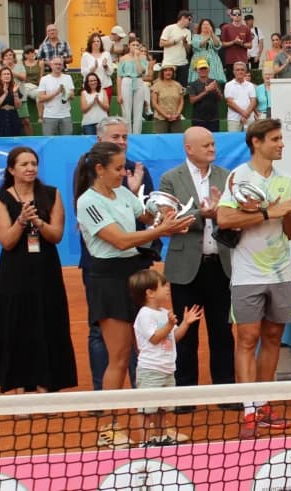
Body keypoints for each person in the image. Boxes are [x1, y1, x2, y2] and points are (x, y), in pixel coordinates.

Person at [73, 141, 194, 448]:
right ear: (99, 169)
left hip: (134, 278)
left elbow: (146, 217)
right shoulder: (88, 201)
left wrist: (168, 219)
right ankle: (109, 427)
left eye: (124, 167)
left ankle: (157, 429)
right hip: (108, 280)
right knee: (120, 356)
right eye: (117, 168)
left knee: (151, 357)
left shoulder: (124, 193)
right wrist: (160, 231)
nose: (122, 173)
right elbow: (121, 240)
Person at [215, 119, 291, 439]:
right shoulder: (238, 176)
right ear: (256, 142)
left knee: (272, 339)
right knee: (247, 339)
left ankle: (264, 406)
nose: (282, 144)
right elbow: (224, 218)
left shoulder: (287, 182)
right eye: (275, 139)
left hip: (281, 271)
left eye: (281, 139)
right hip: (247, 273)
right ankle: (249, 412)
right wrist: (271, 212)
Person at [0, 146, 76, 394]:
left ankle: (45, 385)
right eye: (24, 164)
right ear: (11, 169)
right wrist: (22, 220)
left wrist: (38, 221)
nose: (30, 168)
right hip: (14, 273)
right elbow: (7, 241)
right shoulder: (0, 199)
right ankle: (16, 387)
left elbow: (56, 235)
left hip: (46, 270)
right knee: (16, 325)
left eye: (33, 163)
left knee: (47, 322)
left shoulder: (51, 194)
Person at [159, 126, 236, 413]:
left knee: (222, 331)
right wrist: (200, 214)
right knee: (185, 332)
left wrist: (222, 213)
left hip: (220, 265)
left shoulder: (227, 177)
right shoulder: (170, 179)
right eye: (205, 145)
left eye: (213, 144)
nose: (212, 149)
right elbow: (168, 219)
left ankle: (227, 391)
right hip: (185, 268)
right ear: (188, 148)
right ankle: (185, 394)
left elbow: (234, 214)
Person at [128, 269, 199, 445]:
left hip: (167, 369)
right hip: (150, 370)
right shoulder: (144, 314)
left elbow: (173, 337)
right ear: (150, 293)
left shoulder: (163, 312)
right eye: (163, 285)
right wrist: (169, 324)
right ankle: (145, 442)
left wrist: (185, 323)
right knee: (146, 409)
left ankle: (160, 438)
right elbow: (154, 338)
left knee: (161, 409)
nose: (168, 288)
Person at [36, 56, 73, 136]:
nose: (58, 66)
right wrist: (56, 93)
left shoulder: (68, 78)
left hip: (65, 115)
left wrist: (66, 93)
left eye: (60, 64)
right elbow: (40, 98)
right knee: (48, 142)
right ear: (51, 65)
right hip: (49, 116)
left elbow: (72, 96)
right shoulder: (44, 79)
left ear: (63, 66)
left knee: (66, 142)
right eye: (56, 64)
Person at [188, 59, 222, 132]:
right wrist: (205, 92)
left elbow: (220, 99)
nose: (203, 70)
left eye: (205, 68)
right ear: (197, 70)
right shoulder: (193, 84)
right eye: (201, 69)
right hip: (198, 119)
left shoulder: (214, 82)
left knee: (213, 140)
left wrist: (216, 90)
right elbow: (192, 101)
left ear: (208, 70)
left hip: (214, 119)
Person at [160, 11, 193, 85]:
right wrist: (175, 41)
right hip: (169, 63)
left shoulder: (188, 32)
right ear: (183, 18)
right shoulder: (169, 28)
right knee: (168, 86)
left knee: (182, 88)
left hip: (183, 63)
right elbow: (161, 43)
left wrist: (185, 42)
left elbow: (188, 51)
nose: (190, 22)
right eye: (189, 19)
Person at [0, 67, 23, 137]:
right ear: (0, 77)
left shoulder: (14, 87)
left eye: (8, 74)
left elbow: (18, 106)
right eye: (4, 74)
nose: (7, 76)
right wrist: (5, 94)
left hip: (12, 117)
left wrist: (15, 93)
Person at [189, 19, 225, 85]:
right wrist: (208, 36)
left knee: (213, 80)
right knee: (198, 81)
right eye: (204, 24)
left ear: (211, 26)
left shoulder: (215, 37)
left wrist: (212, 34)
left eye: (208, 24)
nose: (206, 26)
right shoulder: (196, 36)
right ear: (201, 26)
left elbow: (218, 45)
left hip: (213, 60)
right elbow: (198, 44)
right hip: (199, 59)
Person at [224, 61, 257, 132]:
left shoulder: (250, 85)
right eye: (237, 70)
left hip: (249, 119)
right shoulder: (228, 85)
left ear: (245, 72)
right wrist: (244, 113)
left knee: (250, 141)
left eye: (242, 69)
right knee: (234, 141)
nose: (240, 71)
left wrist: (245, 115)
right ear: (233, 72)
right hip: (234, 119)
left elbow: (253, 102)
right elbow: (230, 102)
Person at [150, 65, 183, 134]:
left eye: (170, 70)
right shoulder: (156, 85)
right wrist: (165, 115)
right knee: (160, 141)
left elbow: (181, 102)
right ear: (162, 72)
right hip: (160, 118)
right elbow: (154, 103)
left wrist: (177, 114)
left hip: (175, 118)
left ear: (173, 72)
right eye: (166, 70)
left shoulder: (178, 85)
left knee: (176, 140)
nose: (168, 72)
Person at [81, 33, 115, 99]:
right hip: (90, 88)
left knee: (105, 108)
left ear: (101, 43)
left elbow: (110, 73)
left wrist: (105, 66)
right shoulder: (85, 55)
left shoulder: (106, 54)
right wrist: (93, 68)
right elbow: (83, 73)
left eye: (98, 41)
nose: (96, 43)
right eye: (94, 41)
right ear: (90, 43)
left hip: (105, 87)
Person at [221, 8, 253, 78]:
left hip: (243, 60)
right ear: (231, 16)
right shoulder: (226, 28)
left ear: (241, 16)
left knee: (245, 81)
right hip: (230, 61)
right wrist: (234, 42)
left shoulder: (246, 28)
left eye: (239, 14)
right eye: (234, 14)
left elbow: (250, 45)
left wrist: (241, 44)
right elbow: (222, 44)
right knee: (231, 82)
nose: (237, 16)